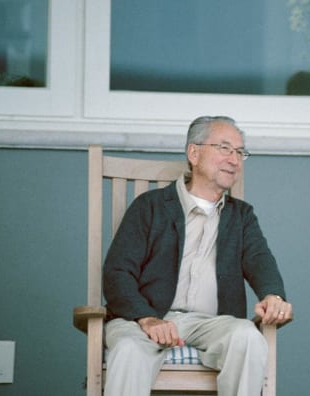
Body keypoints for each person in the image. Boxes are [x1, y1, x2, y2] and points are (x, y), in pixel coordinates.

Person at [102, 115, 293, 396]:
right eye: (225, 148)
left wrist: (273, 295)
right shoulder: (150, 206)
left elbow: (259, 259)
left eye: (240, 152)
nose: (234, 159)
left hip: (210, 324)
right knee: (128, 350)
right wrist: (147, 318)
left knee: (249, 337)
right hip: (142, 321)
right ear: (194, 152)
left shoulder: (241, 216)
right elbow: (117, 273)